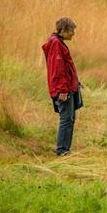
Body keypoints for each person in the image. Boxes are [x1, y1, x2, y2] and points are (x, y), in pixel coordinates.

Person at [42, 17, 82, 156]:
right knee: (66, 119)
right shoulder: (56, 44)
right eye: (71, 30)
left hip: (67, 87)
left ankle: (65, 149)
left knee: (69, 119)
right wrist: (63, 90)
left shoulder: (58, 43)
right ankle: (62, 150)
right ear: (63, 30)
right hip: (63, 90)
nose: (73, 34)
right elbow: (58, 70)